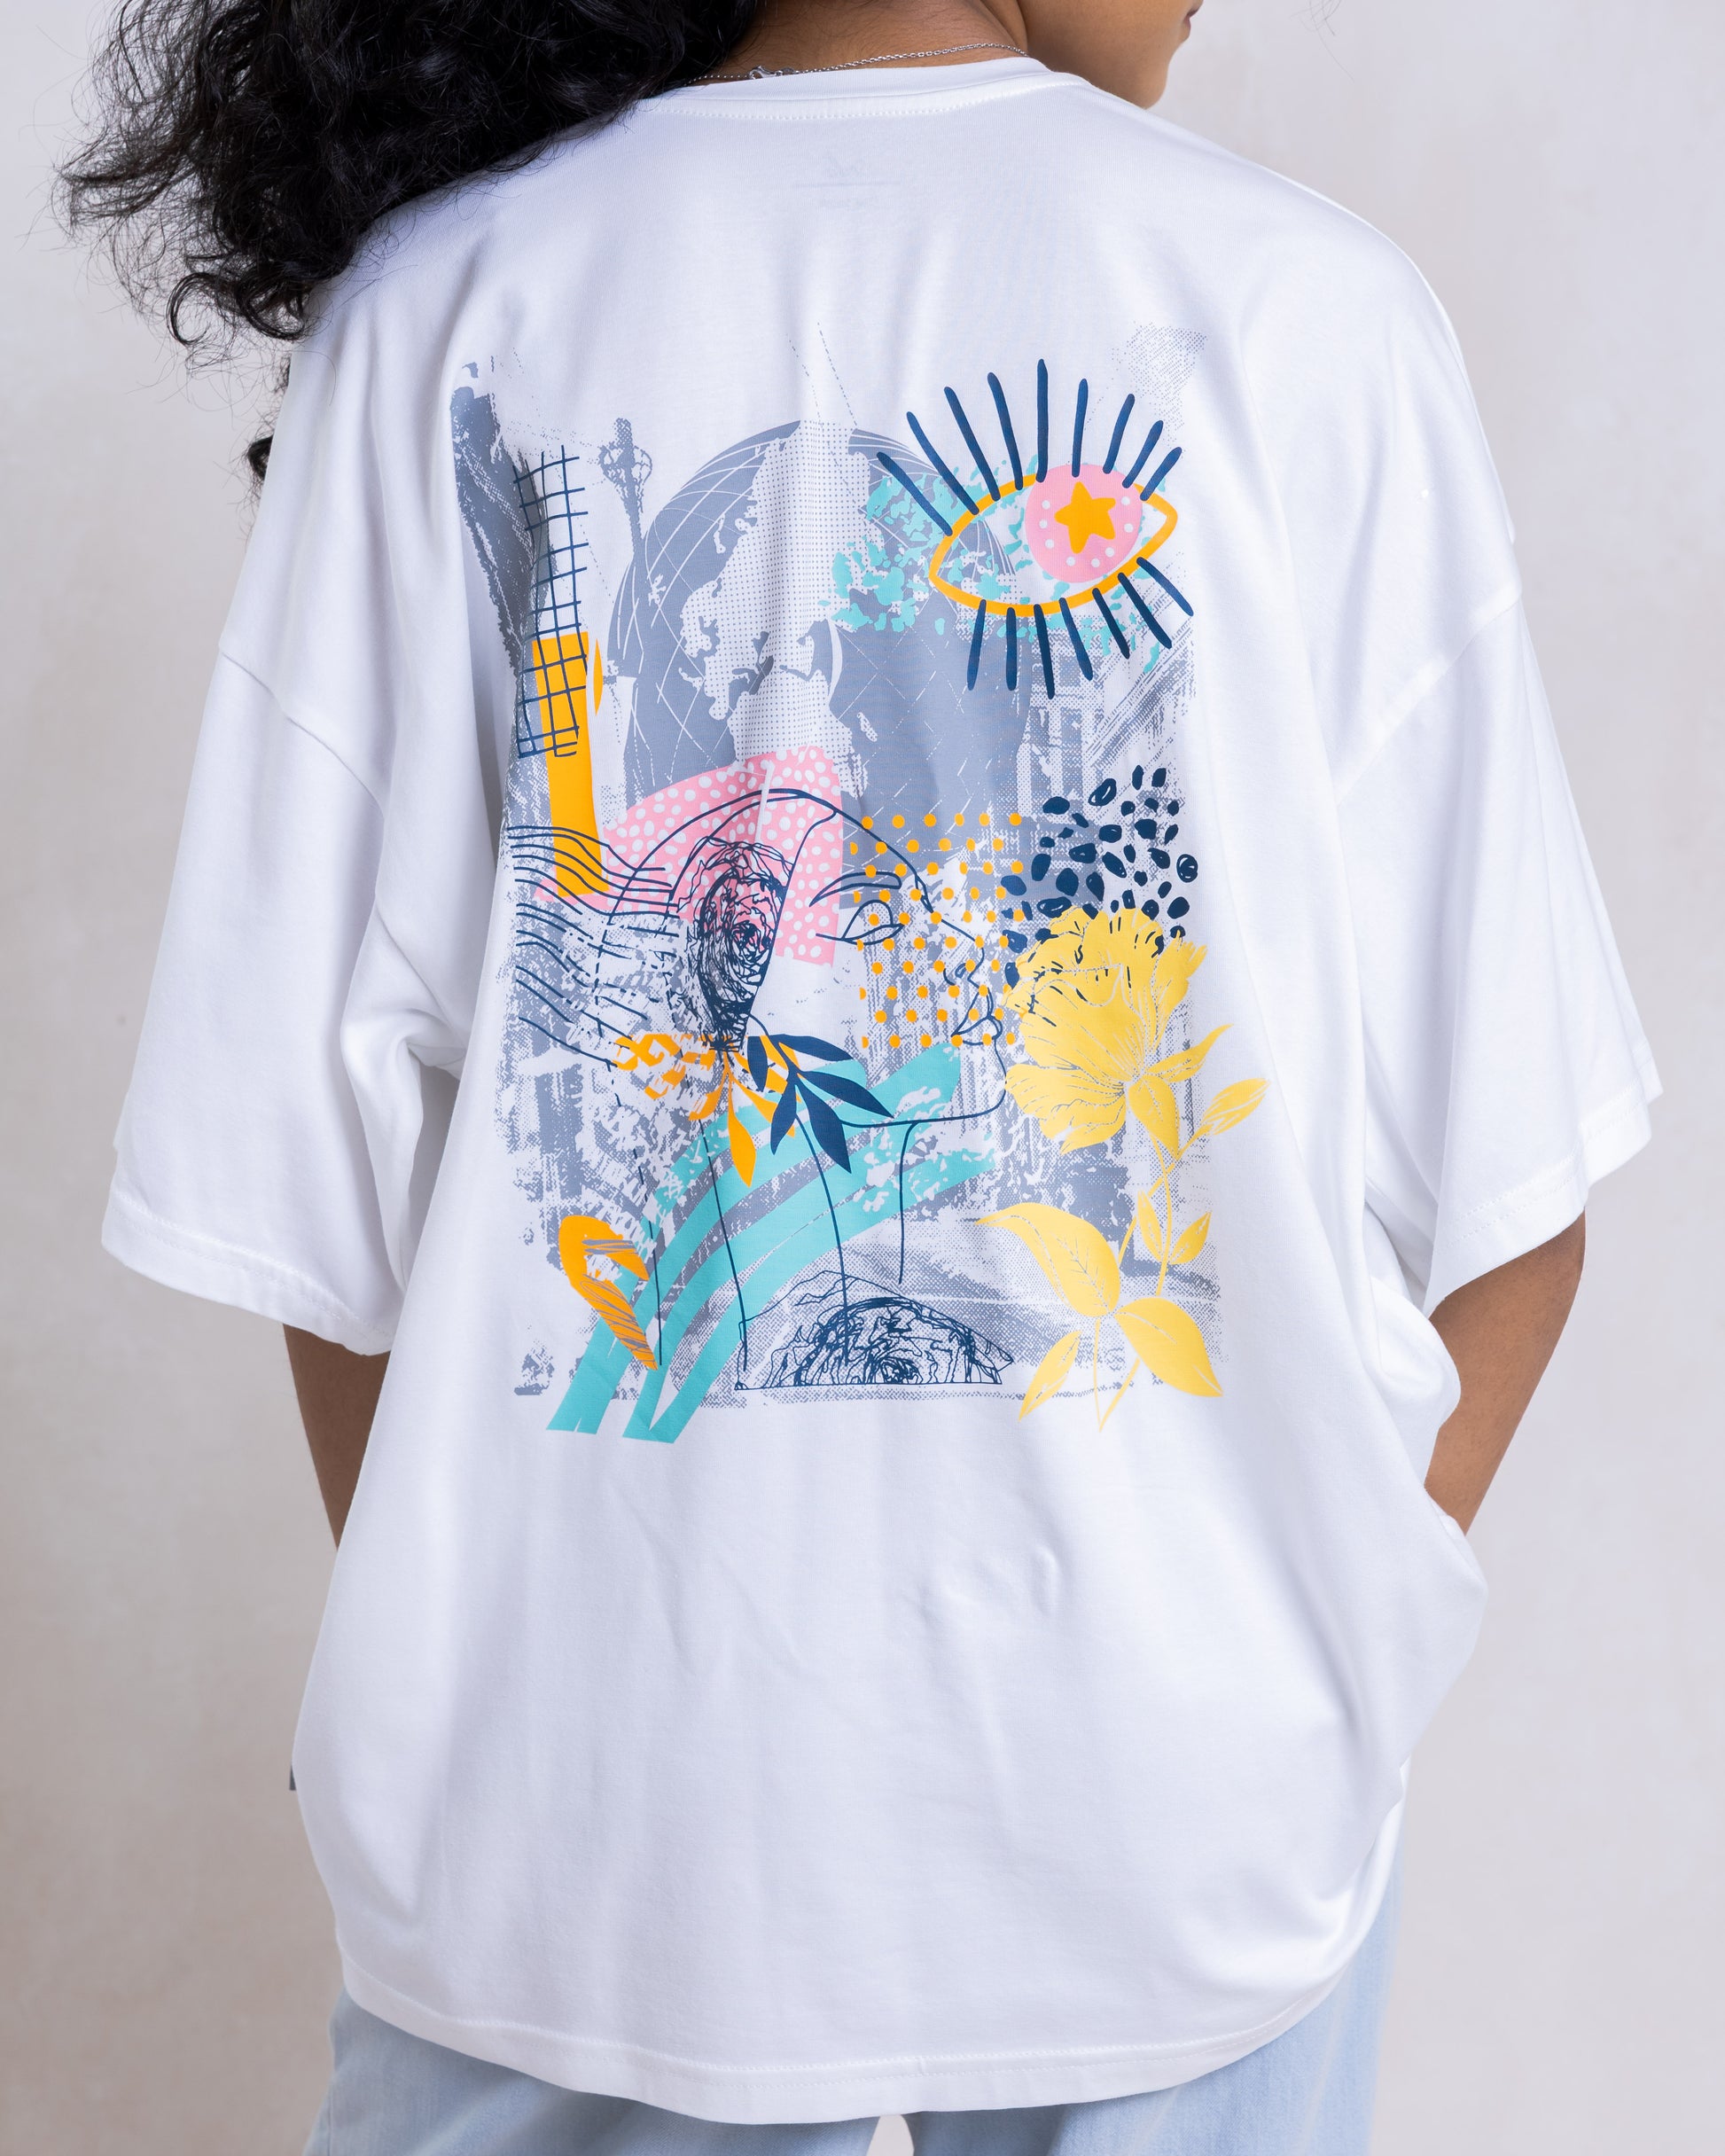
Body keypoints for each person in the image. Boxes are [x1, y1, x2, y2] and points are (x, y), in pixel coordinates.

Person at [63, 1, 1658, 2150]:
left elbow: (309, 1220)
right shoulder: (1309, 316)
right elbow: (1522, 1194)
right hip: (1177, 1822)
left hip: (581, 1834)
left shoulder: (441, 309)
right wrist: (1308, 1666)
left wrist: (498, 1651)